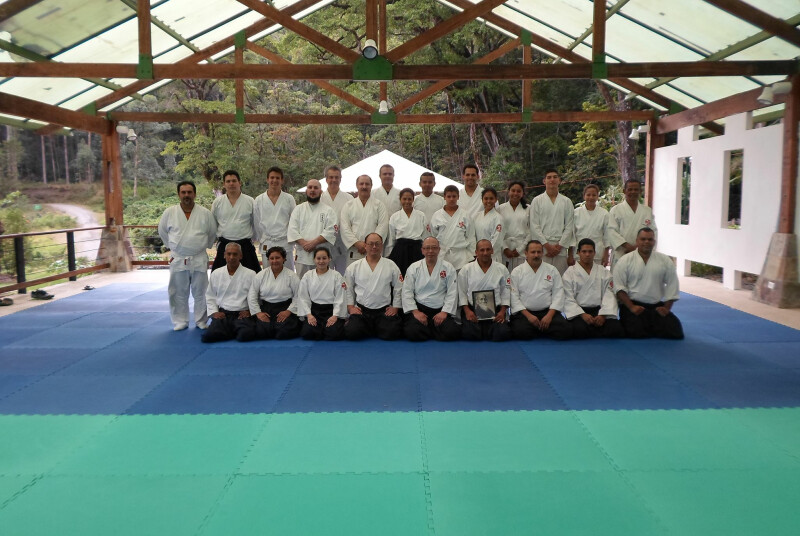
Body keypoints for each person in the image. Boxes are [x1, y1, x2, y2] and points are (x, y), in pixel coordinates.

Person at [158, 180, 217, 331]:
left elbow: (212, 233)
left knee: (201, 292)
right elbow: (163, 232)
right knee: (177, 292)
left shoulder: (205, 213)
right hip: (178, 257)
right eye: (183, 192)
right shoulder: (169, 213)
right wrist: (174, 247)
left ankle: (201, 320)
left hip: (198, 257)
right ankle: (180, 321)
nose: (186, 195)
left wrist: (202, 246)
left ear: (194, 194)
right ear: (178, 194)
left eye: (189, 192)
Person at [613, 228, 683, 339]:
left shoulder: (664, 260)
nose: (646, 242)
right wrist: (631, 307)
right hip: (633, 305)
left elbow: (672, 284)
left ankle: (651, 326)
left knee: (675, 331)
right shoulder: (625, 260)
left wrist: (666, 308)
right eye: (643, 239)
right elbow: (619, 287)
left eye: (650, 239)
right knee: (635, 332)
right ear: (637, 241)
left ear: (654, 242)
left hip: (656, 307)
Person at [344, 233, 404, 340]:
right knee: (352, 332)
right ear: (365, 246)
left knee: (392, 333)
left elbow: (399, 287)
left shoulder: (391, 265)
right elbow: (348, 289)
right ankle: (374, 328)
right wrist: (350, 307)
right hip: (362, 311)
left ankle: (374, 328)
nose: (374, 247)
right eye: (371, 244)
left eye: (377, 244)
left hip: (383, 310)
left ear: (382, 246)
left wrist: (395, 307)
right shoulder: (354, 267)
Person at [509, 240, 572, 340]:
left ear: (542, 253)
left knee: (565, 330)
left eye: (539, 252)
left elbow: (558, 294)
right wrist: (529, 316)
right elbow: (514, 297)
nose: (536, 255)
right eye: (533, 252)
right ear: (526, 253)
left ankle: (539, 328)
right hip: (525, 313)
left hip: (547, 312)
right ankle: (542, 329)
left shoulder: (552, 270)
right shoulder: (517, 272)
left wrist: (549, 316)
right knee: (520, 332)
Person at [402, 237, 461, 342]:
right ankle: (434, 330)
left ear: (439, 249)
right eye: (427, 248)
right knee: (412, 331)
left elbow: (452, 292)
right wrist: (416, 312)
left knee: (452, 331)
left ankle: (428, 329)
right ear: (422, 250)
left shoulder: (448, 267)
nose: (430, 251)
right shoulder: (414, 267)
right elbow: (407, 291)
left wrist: (444, 312)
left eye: (434, 248)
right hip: (420, 308)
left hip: (440, 309)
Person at [562, 238, 624, 339]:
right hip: (580, 313)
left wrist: (603, 315)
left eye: (590, 251)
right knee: (576, 329)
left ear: (595, 253)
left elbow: (609, 294)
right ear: (578, 253)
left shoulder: (603, 272)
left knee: (615, 328)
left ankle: (594, 328)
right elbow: (567, 297)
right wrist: (582, 314)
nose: (587, 254)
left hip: (599, 311)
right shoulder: (569, 273)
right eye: (584, 251)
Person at [458, 239, 512, 342]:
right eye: (482, 250)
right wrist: (467, 311)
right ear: (476, 252)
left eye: (488, 249)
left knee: (503, 333)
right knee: (469, 334)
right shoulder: (466, 269)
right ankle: (484, 330)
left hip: (495, 311)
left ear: (492, 251)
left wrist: (502, 312)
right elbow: (462, 292)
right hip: (473, 310)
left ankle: (487, 330)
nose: (485, 253)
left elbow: (506, 292)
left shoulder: (502, 269)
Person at [202, 243, 257, 343]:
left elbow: (256, 296)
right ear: (224, 255)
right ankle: (232, 329)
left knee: (245, 335)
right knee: (208, 337)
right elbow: (210, 296)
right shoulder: (216, 273)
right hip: (223, 314)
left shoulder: (251, 274)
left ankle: (230, 330)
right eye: (229, 254)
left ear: (241, 256)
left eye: (235, 254)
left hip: (242, 314)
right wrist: (214, 312)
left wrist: (250, 311)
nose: (232, 257)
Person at [210, 170, 260, 273]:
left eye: (234, 181)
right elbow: (213, 224)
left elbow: (255, 223)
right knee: (219, 275)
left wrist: (252, 239)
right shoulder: (218, 202)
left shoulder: (250, 201)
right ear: (224, 184)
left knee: (252, 276)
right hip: (224, 244)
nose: (231, 184)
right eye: (228, 181)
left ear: (239, 183)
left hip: (245, 245)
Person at [247, 246, 301, 340]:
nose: (275, 261)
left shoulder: (292, 276)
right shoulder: (261, 275)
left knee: (283, 332)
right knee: (261, 332)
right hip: (266, 309)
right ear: (268, 260)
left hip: (285, 307)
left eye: (277, 258)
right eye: (272, 258)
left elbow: (298, 296)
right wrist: (259, 313)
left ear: (284, 259)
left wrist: (288, 311)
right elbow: (252, 296)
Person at [287, 179, 338, 278]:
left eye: (315, 188)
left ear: (321, 191)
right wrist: (305, 244)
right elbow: (292, 230)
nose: (312, 190)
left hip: (322, 257)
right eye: (310, 187)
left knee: (323, 283)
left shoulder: (328, 211)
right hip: (302, 255)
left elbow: (331, 231)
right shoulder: (298, 209)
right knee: (302, 283)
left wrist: (314, 243)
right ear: (306, 191)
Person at [296, 246, 347, 341]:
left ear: (329, 259)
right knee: (307, 333)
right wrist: (309, 315)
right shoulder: (308, 275)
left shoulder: (337, 276)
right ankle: (321, 329)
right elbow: (303, 297)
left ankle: (324, 329)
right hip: (314, 311)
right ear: (314, 260)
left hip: (331, 311)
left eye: (324, 258)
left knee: (334, 334)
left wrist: (335, 316)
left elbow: (340, 298)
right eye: (318, 258)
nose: (321, 261)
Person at [529, 168, 574, 276]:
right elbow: (534, 225)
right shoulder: (537, 201)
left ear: (559, 180)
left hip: (560, 248)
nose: (552, 180)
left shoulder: (566, 201)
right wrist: (546, 246)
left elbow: (569, 226)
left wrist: (559, 246)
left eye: (555, 177)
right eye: (549, 177)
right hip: (542, 248)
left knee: (560, 278)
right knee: (542, 278)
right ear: (544, 181)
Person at [340, 174, 389, 266]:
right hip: (355, 250)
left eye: (367, 184)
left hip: (373, 249)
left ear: (371, 186)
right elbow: (345, 228)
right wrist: (357, 243)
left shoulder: (379, 205)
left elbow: (383, 225)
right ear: (357, 185)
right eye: (361, 184)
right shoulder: (348, 205)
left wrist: (371, 244)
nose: (364, 186)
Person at [253, 166, 296, 270]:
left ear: (282, 180)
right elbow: (256, 223)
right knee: (268, 274)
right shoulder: (259, 200)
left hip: (284, 242)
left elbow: (294, 222)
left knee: (288, 274)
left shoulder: (289, 199)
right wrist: (263, 237)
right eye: (272, 177)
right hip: (267, 242)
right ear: (267, 179)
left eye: (277, 178)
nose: (274, 180)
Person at [608, 180, 657, 269]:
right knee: (621, 276)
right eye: (630, 189)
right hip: (622, 252)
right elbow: (611, 231)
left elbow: (653, 232)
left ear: (640, 191)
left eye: (636, 189)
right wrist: (629, 247)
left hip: (642, 253)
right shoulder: (615, 210)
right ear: (624, 191)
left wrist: (640, 249)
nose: (633, 192)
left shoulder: (647, 211)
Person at [429, 185, 476, 271]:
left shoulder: (465, 215)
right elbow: (433, 236)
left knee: (461, 278)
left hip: (461, 256)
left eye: (454, 196)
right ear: (444, 197)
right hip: (442, 255)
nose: (451, 199)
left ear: (458, 197)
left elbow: (471, 236)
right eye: (449, 196)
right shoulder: (437, 215)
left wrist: (472, 255)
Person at [320, 164, 353, 274]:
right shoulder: (320, 198)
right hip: (324, 242)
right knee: (325, 275)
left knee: (343, 274)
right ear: (326, 179)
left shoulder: (349, 198)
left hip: (343, 242)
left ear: (340, 179)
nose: (334, 180)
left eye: (336, 177)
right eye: (331, 177)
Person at [386, 188, 428, 275]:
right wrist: (390, 254)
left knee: (418, 275)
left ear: (413, 200)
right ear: (400, 199)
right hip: (400, 250)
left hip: (417, 250)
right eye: (404, 199)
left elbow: (425, 236)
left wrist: (426, 251)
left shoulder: (421, 215)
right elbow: (392, 238)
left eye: (409, 199)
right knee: (401, 275)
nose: (407, 201)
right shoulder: (395, 217)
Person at [569, 183, 610, 267]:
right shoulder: (576, 213)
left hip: (597, 253)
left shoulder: (604, 213)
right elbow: (571, 235)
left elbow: (607, 236)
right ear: (584, 196)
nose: (591, 197)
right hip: (579, 253)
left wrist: (606, 254)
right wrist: (570, 255)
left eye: (594, 195)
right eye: (588, 195)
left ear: (597, 197)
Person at [497, 180, 530, 273]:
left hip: (522, 248)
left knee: (521, 276)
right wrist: (505, 248)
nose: (515, 193)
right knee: (505, 276)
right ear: (508, 192)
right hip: (505, 249)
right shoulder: (500, 208)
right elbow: (497, 231)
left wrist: (520, 249)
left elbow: (531, 231)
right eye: (513, 190)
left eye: (518, 191)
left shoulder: (528, 209)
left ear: (522, 193)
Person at [473, 187, 505, 263]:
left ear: (496, 200)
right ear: (482, 200)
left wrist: (486, 252)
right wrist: (477, 252)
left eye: (491, 198)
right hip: (478, 256)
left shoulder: (498, 218)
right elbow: (472, 236)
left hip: (492, 256)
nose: (488, 201)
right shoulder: (476, 216)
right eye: (486, 198)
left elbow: (497, 240)